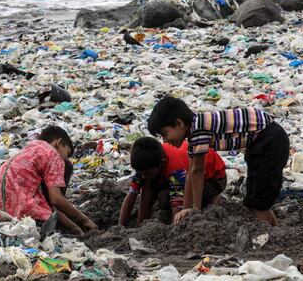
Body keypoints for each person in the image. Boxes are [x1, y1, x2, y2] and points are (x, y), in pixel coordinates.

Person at [148, 96, 289, 226]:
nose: (165, 140)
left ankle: (266, 238)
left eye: (165, 134)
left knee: (259, 202)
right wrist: (186, 208)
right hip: (260, 142)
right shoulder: (195, 132)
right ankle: (274, 231)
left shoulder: (198, 129)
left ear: (179, 123)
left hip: (269, 140)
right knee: (254, 198)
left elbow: (197, 171)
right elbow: (191, 173)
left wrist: (195, 209)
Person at [0, 126, 98, 235]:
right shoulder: (53, 154)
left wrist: (74, 227)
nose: (65, 158)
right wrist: (84, 220)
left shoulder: (28, 149)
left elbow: (48, 203)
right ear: (58, 143)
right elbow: (55, 200)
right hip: (23, 217)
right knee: (67, 166)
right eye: (66, 153)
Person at [119, 137, 226, 226]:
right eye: (140, 173)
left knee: (165, 198)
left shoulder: (176, 169)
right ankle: (140, 223)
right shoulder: (146, 163)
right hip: (182, 174)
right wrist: (121, 226)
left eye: (147, 173)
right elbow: (132, 193)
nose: (143, 176)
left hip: (214, 179)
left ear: (162, 163)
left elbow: (177, 203)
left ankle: (211, 199)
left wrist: (173, 226)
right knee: (147, 183)